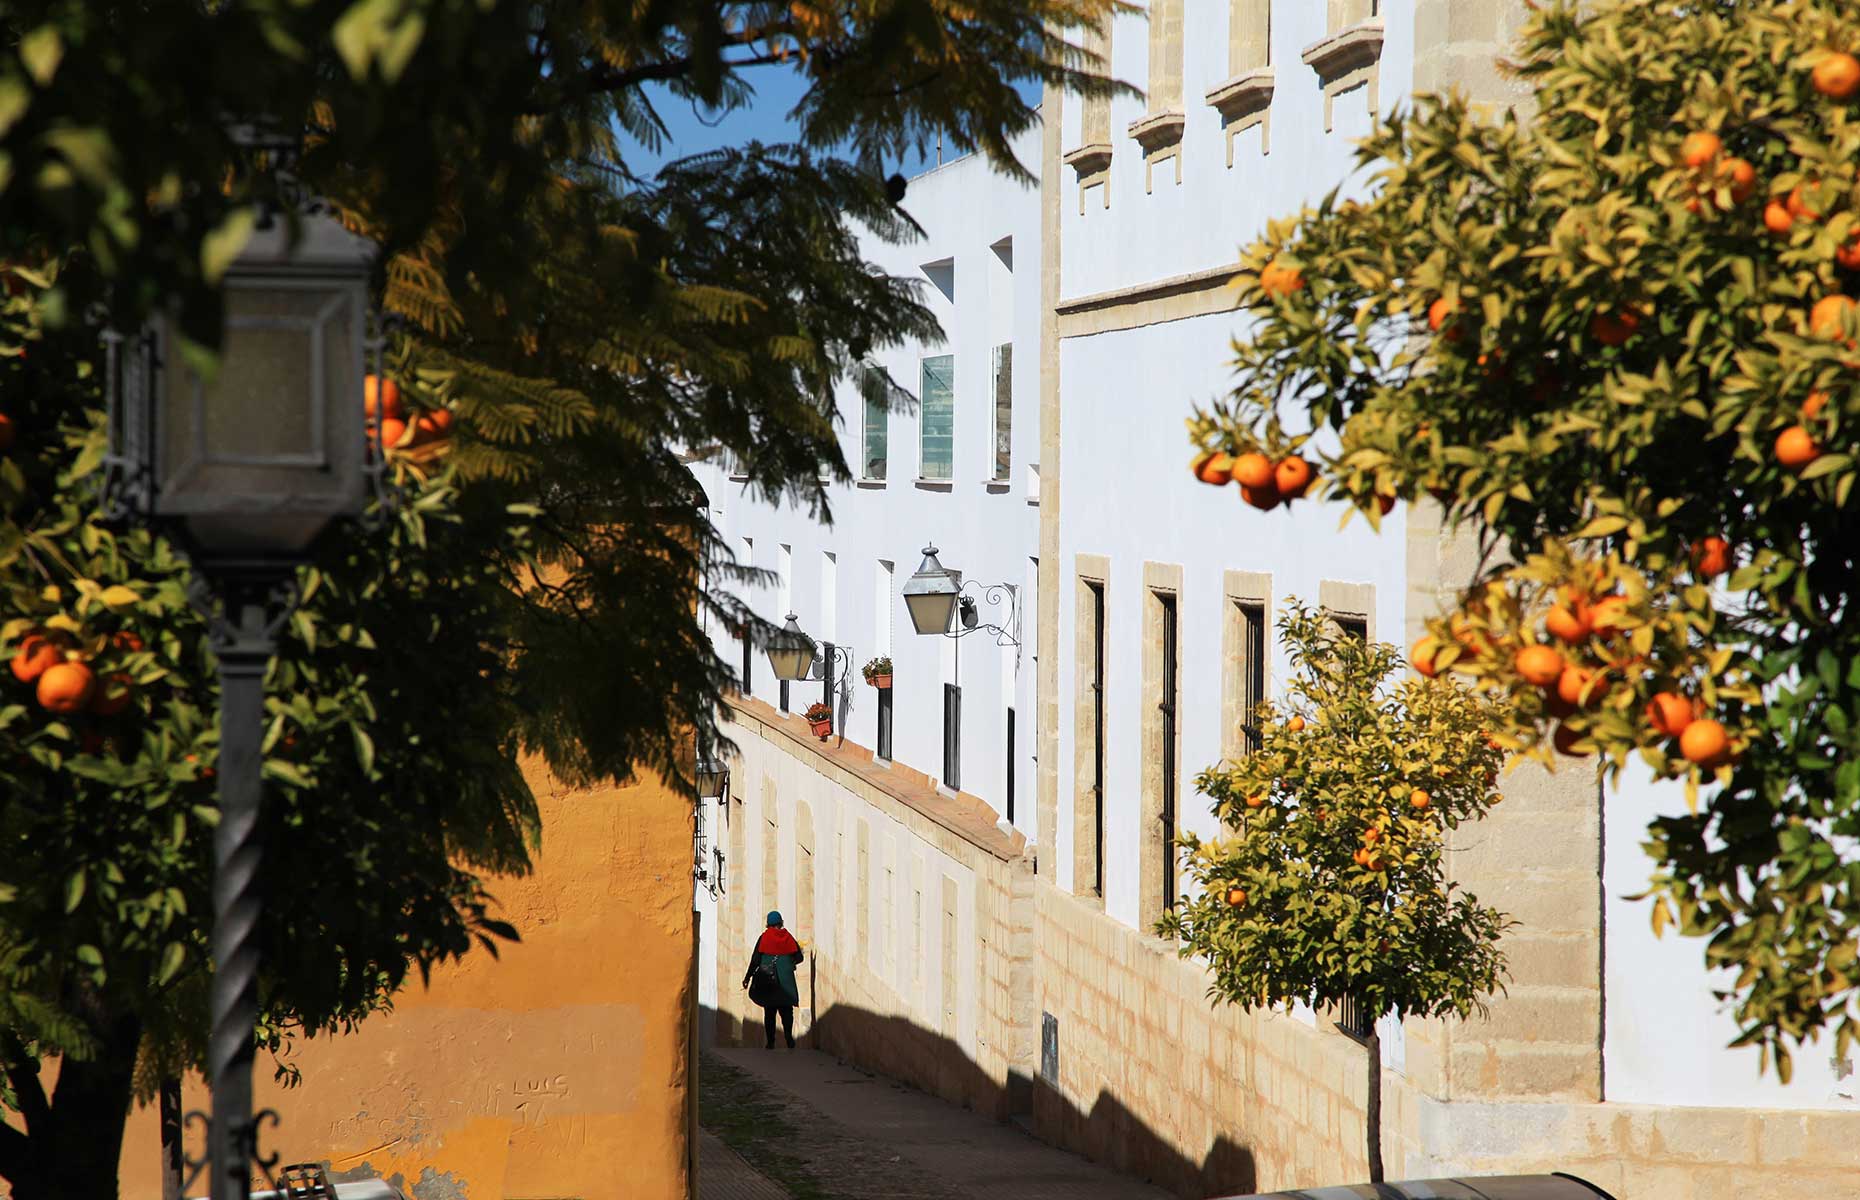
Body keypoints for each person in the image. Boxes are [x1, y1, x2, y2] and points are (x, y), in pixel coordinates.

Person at [742, 910, 805, 1049]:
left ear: (768, 924)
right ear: (781, 923)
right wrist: (789, 962)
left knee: (769, 1012)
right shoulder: (788, 937)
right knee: (787, 1011)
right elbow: (799, 957)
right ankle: (789, 1037)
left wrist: (747, 977)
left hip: (768, 980)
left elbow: (755, 960)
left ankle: (771, 1042)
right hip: (786, 982)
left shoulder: (764, 938)